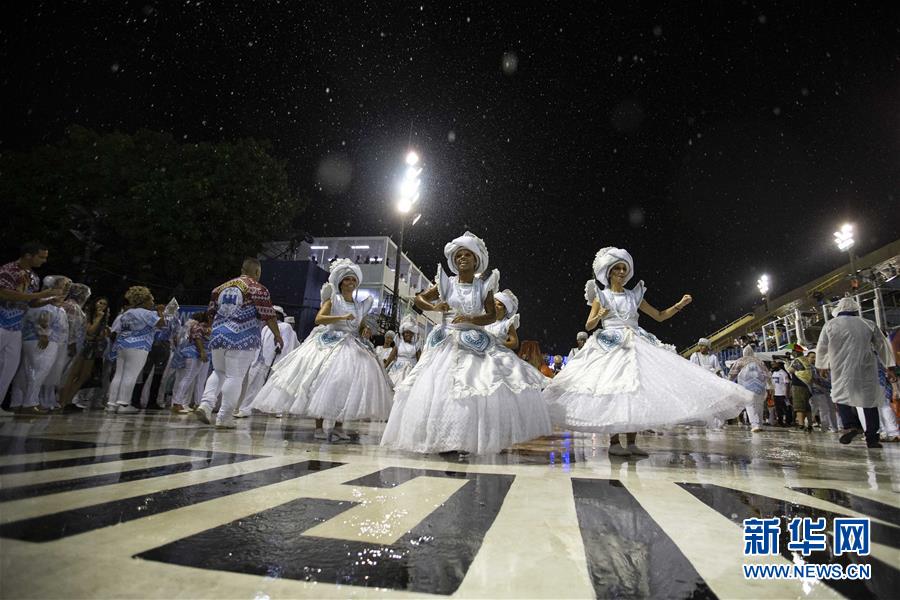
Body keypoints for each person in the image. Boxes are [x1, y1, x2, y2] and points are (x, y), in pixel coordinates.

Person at [544, 246, 753, 457]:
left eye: (624, 268)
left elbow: (659, 315)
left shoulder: (634, 296)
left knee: (636, 390)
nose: (622, 272)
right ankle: (615, 442)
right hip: (610, 344)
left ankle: (632, 442)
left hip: (636, 342)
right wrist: (600, 316)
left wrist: (679, 304)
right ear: (609, 272)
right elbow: (589, 325)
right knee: (614, 388)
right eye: (617, 268)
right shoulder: (602, 296)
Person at [381, 231, 551, 455]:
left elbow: (491, 316)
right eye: (459, 255)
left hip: (473, 340)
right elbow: (419, 298)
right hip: (445, 341)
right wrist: (434, 307)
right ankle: (440, 436)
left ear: (476, 260)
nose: (462, 258)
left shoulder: (483, 287)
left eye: (467, 255)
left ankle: (464, 438)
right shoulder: (447, 283)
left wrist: (472, 319)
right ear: (454, 260)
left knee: (472, 387)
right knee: (438, 388)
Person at [249, 259, 392, 439]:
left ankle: (339, 426)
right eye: (347, 279)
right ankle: (319, 426)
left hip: (352, 345)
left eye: (354, 280)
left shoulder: (359, 304)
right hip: (331, 342)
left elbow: (360, 324)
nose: (351, 283)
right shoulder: (334, 299)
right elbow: (319, 318)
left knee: (345, 384)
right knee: (323, 381)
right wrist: (340, 317)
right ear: (340, 282)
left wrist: (364, 330)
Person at [195, 258, 282, 429]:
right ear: (257, 272)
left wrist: (216, 330)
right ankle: (224, 417)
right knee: (235, 376)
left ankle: (205, 405)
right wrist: (277, 335)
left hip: (219, 335)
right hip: (242, 337)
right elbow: (269, 315)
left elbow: (211, 313)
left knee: (218, 372)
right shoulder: (258, 289)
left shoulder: (219, 288)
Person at [815, 296, 895, 449]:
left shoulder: (830, 325)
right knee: (869, 401)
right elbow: (882, 345)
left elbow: (822, 347)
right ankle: (872, 438)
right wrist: (889, 366)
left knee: (840, 395)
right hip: (865, 366)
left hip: (840, 366)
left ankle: (850, 425)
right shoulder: (868, 324)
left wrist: (822, 365)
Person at [0, 242, 57, 416]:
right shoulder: (7, 270)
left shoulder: (33, 276)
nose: (44, 261)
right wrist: (39, 295)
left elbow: (31, 302)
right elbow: (4, 293)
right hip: (1, 322)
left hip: (16, 327)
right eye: (41, 257)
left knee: (8, 368)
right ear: (28, 255)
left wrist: (48, 299)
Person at [9, 275, 71, 414]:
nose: (65, 290)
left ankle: (17, 401)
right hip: (44, 340)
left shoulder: (39, 300)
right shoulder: (47, 301)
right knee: (40, 371)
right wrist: (44, 333)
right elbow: (44, 317)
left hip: (29, 338)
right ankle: (30, 402)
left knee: (24, 371)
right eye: (63, 286)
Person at [106, 287, 167, 413]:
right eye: (151, 300)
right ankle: (123, 405)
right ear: (145, 301)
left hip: (122, 345)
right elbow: (161, 324)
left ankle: (111, 404)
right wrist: (161, 311)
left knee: (119, 374)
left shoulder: (127, 313)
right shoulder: (147, 313)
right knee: (131, 375)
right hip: (139, 346)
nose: (153, 303)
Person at [235, 305, 299, 417]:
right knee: (253, 386)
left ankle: (275, 409)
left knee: (276, 387)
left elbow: (287, 345)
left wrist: (280, 356)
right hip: (262, 360)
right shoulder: (265, 327)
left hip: (276, 362)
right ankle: (245, 409)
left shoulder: (285, 326)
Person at [60, 296, 110, 409]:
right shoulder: (89, 314)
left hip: (93, 348)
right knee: (73, 375)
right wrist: (98, 320)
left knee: (84, 376)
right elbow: (90, 331)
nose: (102, 306)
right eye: (100, 302)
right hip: (84, 347)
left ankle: (68, 401)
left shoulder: (102, 317)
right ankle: (62, 401)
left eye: (104, 304)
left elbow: (96, 334)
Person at [170, 311, 211, 414]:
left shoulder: (207, 327)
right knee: (188, 378)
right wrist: (201, 352)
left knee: (195, 380)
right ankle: (177, 403)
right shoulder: (199, 327)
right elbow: (197, 338)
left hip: (201, 355)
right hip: (194, 354)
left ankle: (193, 403)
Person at [727, 345, 771, 433]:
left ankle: (755, 425)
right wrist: (770, 386)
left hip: (747, 387)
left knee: (750, 405)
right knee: (759, 405)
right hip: (760, 387)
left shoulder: (740, 361)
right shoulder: (759, 361)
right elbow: (767, 374)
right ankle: (760, 424)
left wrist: (728, 382)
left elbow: (732, 374)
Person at [806, 350, 837, 433]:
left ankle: (830, 427)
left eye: (815, 357)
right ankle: (809, 425)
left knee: (828, 409)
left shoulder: (819, 367)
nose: (814, 359)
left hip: (825, 390)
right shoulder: (808, 368)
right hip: (814, 392)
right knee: (815, 409)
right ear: (807, 358)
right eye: (812, 357)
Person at [385, 317, 420, 387]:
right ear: (403, 333)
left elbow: (420, 359)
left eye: (411, 333)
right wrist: (383, 368)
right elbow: (391, 357)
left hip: (411, 371)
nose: (409, 334)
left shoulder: (416, 344)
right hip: (398, 370)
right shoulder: (399, 342)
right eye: (407, 332)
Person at [787, 350, 815, 432]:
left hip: (798, 385)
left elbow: (790, 370)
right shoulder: (806, 361)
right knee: (807, 406)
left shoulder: (798, 360)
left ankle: (801, 425)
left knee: (799, 407)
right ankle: (810, 425)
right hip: (806, 385)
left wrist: (787, 364)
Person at [770, 361, 791, 426]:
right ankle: (780, 422)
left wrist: (787, 394)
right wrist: (772, 393)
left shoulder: (783, 373)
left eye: (774, 364)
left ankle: (788, 421)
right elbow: (772, 384)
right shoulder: (773, 373)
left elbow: (787, 383)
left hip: (783, 394)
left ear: (778, 364)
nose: (773, 366)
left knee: (786, 408)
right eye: (772, 365)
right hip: (776, 394)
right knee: (778, 409)